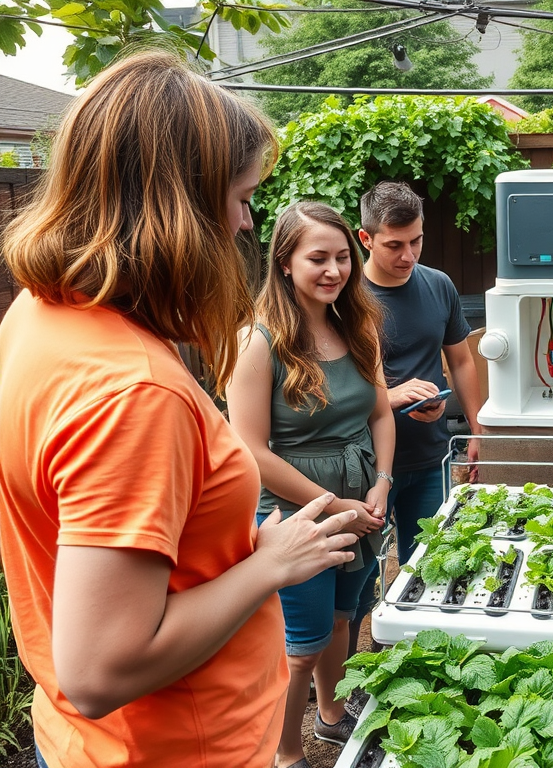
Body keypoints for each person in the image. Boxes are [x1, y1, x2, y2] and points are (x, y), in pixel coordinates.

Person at [0, 51, 360, 768]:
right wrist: (269, 565)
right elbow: (102, 669)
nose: (246, 221)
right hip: (174, 750)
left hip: (82, 743)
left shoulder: (38, 315)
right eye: (238, 195)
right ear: (178, 207)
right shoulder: (134, 393)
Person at [225, 201, 394, 768]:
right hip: (295, 514)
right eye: (317, 257)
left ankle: (330, 714)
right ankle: (286, 753)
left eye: (343, 257)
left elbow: (379, 414)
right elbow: (249, 449)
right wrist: (335, 503)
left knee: (348, 618)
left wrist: (382, 484)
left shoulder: (358, 324)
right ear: (284, 262)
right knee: (301, 646)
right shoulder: (257, 340)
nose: (334, 270)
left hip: (361, 499)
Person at [347, 181, 483, 648]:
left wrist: (475, 428)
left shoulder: (438, 285)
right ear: (365, 239)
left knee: (428, 567)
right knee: (359, 580)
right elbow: (334, 389)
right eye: (394, 245)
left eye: (417, 241)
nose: (408, 255)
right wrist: (392, 395)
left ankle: (417, 666)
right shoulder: (345, 297)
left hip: (430, 457)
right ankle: (344, 674)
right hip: (364, 465)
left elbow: (461, 360)